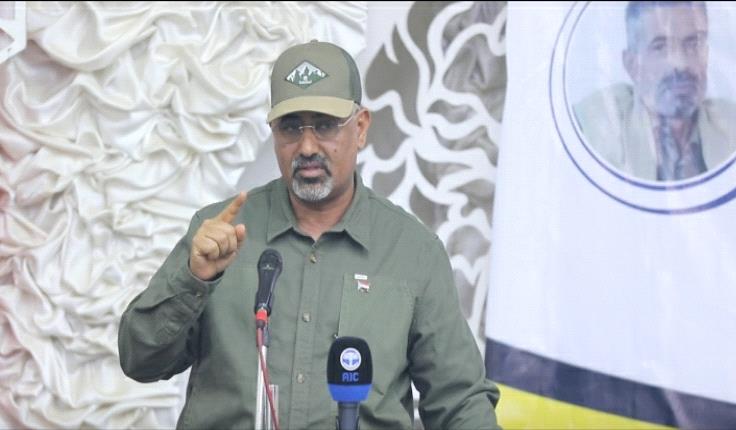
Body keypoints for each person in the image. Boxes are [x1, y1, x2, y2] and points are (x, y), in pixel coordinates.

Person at [118, 40, 500, 429]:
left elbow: (460, 402)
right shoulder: (220, 236)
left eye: (325, 124)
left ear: (361, 128)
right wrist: (193, 278)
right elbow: (139, 360)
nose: (306, 146)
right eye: (290, 127)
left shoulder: (412, 251)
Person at [574, 1, 736, 181]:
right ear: (632, 65)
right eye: (660, 47)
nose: (680, 63)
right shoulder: (594, 128)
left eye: (693, 44)